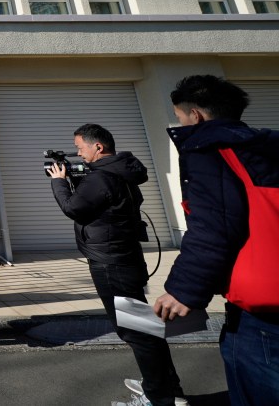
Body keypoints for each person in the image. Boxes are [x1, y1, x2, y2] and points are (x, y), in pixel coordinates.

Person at [153, 75, 279, 406]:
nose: (180, 122)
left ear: (196, 115)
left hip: (263, 308)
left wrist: (184, 289)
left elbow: (214, 225)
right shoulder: (266, 145)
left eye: (179, 116)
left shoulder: (209, 149)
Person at [49, 124, 184, 406]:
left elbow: (74, 208)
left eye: (80, 147)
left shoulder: (101, 178)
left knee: (136, 332)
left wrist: (59, 181)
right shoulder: (119, 172)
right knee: (145, 329)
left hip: (111, 264)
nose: (78, 153)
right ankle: (166, 386)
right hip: (125, 257)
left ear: (97, 147)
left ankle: (158, 397)